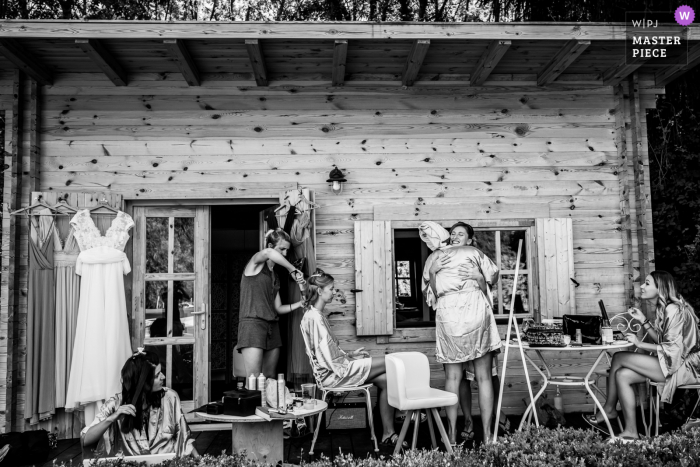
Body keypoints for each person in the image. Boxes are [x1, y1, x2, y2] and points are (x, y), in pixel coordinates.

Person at [584, 270, 700, 441]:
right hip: (675, 362)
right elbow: (663, 340)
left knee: (618, 358)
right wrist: (644, 320)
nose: (642, 287)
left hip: (684, 367)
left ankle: (609, 410)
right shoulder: (666, 308)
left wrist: (639, 344)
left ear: (660, 288)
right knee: (621, 374)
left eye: (647, 283)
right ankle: (630, 431)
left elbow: (671, 349)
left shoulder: (673, 309)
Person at [300, 269, 405, 448]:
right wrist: (348, 362)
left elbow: (327, 352)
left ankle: (388, 433)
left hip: (337, 368)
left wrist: (350, 356)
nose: (334, 292)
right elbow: (327, 358)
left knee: (387, 380)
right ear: (320, 291)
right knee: (393, 361)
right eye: (331, 289)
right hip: (334, 375)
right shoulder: (315, 318)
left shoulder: (314, 315)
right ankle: (406, 410)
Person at [422, 221, 501, 444]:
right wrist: (433, 272)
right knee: (463, 377)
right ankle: (458, 433)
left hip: (464, 313)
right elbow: (434, 294)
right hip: (458, 314)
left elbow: (432, 297)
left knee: (472, 377)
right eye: (453, 233)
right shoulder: (438, 258)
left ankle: (480, 434)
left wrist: (478, 276)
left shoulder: (457, 255)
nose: (456, 236)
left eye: (461, 234)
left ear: (469, 239)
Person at [81, 349, 197, 457]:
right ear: (143, 382)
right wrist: (112, 418)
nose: (163, 377)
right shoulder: (114, 405)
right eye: (157, 375)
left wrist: (201, 461)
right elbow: (85, 440)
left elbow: (184, 437)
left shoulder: (170, 397)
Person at [237, 228, 306, 381]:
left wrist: (299, 304)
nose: (285, 254)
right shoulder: (254, 264)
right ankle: (252, 406)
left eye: (287, 250)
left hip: (272, 327)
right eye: (282, 249)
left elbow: (278, 308)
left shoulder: (275, 276)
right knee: (254, 379)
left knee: (270, 377)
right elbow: (268, 253)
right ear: (270, 244)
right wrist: (292, 269)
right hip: (252, 326)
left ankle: (268, 406)